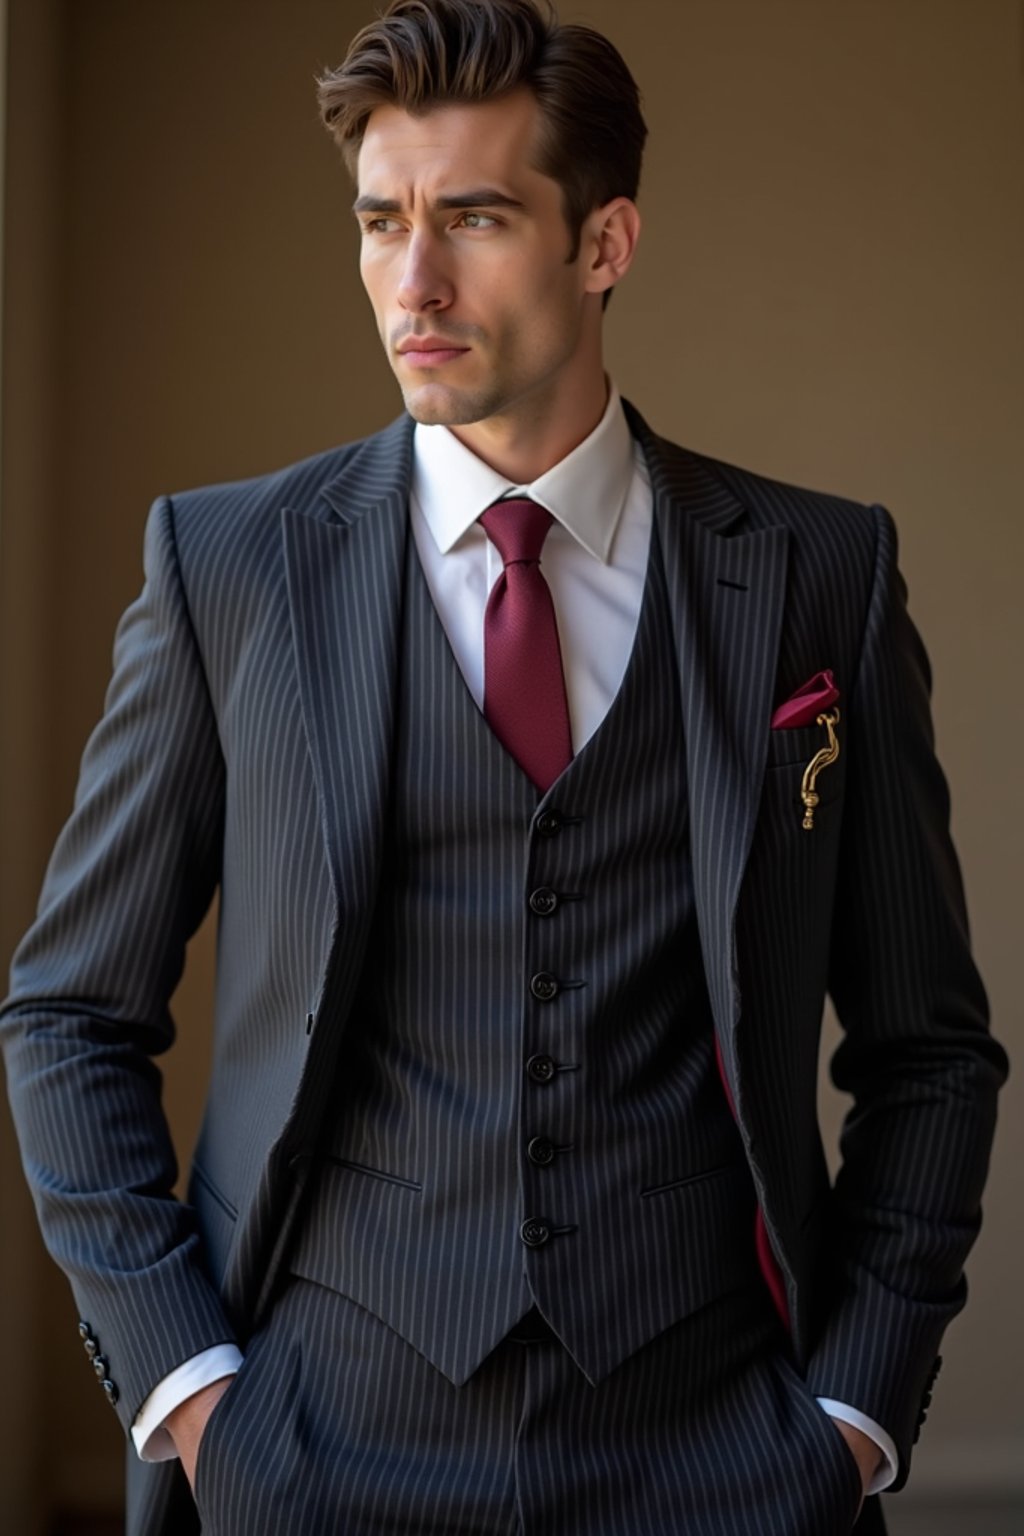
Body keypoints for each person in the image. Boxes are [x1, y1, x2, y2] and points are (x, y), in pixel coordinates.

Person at [1, 2, 1007, 1533]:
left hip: (724, 1457)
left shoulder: (817, 576)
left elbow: (929, 1047)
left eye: (470, 218)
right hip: (310, 1450)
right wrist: (194, 1400)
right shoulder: (230, 567)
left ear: (603, 243)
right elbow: (70, 1012)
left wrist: (854, 1414)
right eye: (380, 222)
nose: (412, 282)